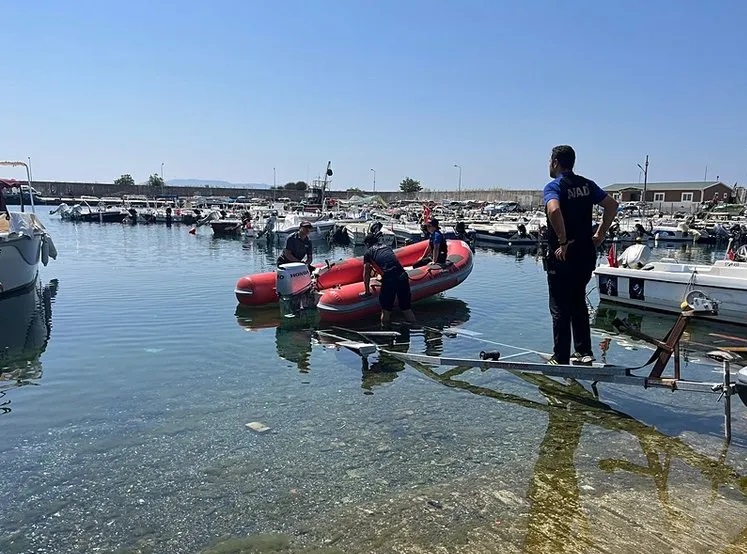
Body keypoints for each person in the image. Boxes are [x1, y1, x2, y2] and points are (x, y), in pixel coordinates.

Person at [543, 145, 618, 365]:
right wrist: (600, 234)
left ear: (556, 162)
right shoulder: (587, 184)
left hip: (563, 254)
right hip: (586, 252)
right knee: (578, 301)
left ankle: (561, 357)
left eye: (550, 161)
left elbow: (554, 209)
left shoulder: (554, 186)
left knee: (559, 305)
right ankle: (584, 352)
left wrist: (563, 240)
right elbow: (612, 205)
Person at [360, 234, 416, 324]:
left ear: (367, 244)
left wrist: (367, 291)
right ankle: (414, 327)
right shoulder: (387, 247)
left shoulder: (368, 253)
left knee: (386, 310)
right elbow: (389, 263)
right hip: (402, 276)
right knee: (406, 308)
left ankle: (385, 331)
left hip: (390, 280)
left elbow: (366, 273)